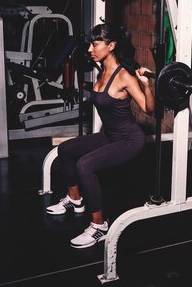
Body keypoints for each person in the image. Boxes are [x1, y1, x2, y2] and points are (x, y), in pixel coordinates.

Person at [46, 23, 155, 248]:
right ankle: (75, 200)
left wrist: (147, 85)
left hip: (129, 140)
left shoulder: (124, 77)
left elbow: (148, 109)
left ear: (111, 45)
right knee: (65, 150)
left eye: (95, 44)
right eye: (90, 44)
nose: (90, 49)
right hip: (109, 135)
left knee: (85, 165)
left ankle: (99, 226)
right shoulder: (102, 70)